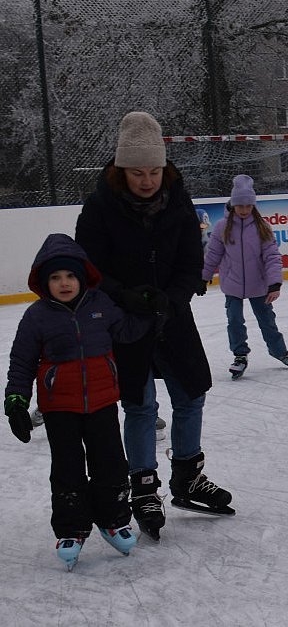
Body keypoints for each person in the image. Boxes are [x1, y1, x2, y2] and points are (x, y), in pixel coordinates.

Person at [75, 111, 235, 542]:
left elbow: (191, 260)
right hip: (123, 319)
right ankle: (144, 486)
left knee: (190, 394)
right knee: (141, 403)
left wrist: (175, 296)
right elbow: (88, 267)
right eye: (137, 172)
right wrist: (123, 295)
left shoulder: (178, 200)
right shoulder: (99, 207)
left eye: (154, 171)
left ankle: (187, 477)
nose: (147, 181)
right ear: (120, 170)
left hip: (171, 313)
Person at [5, 234, 149, 569]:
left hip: (102, 403)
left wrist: (149, 310)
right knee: (67, 469)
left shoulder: (100, 305)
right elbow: (21, 361)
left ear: (82, 277)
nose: (64, 283)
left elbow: (126, 331)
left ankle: (113, 519)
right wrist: (15, 401)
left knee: (110, 464)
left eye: (70, 276)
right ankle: (72, 528)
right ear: (44, 282)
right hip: (59, 409)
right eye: (55, 278)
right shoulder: (37, 316)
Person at [200, 174, 288, 379]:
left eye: (248, 206)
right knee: (234, 320)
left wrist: (274, 283)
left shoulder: (262, 227)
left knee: (267, 321)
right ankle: (240, 355)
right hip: (233, 284)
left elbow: (272, 256)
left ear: (253, 205)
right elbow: (213, 254)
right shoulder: (221, 227)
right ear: (233, 205)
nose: (244, 210)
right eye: (240, 206)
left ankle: (279, 351)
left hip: (259, 285)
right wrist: (204, 276)